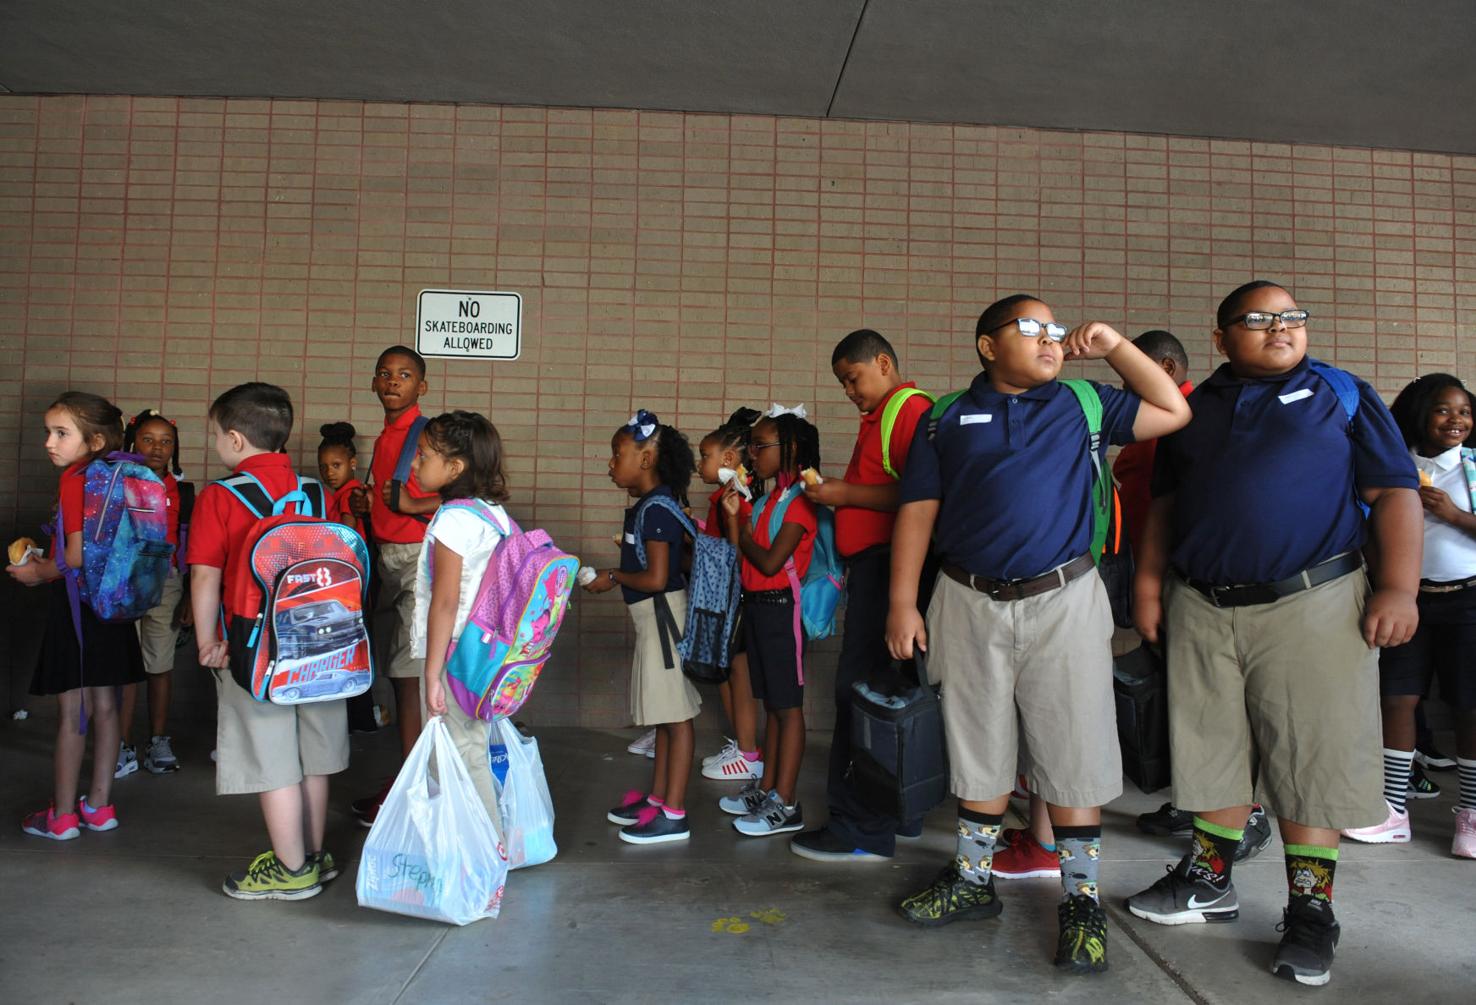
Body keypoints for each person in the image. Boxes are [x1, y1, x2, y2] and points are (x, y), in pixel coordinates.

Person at [1124, 280, 1421, 987]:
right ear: (1222, 337)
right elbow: (1165, 504)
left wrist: (1398, 586)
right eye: (1258, 320)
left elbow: (1395, 493)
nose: (1279, 327)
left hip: (1312, 600)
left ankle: (1311, 909)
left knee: (1308, 758)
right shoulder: (1189, 409)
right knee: (1210, 746)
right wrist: (1146, 584)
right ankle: (1209, 878)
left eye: (1291, 317)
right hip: (1202, 601)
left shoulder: (1342, 395)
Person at [886, 295, 1191, 974]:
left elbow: (1174, 409)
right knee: (977, 741)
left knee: (1074, 740)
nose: (1052, 339)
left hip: (1065, 596)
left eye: (1057, 330)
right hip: (966, 598)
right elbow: (917, 510)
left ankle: (1081, 900)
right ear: (988, 346)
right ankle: (972, 878)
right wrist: (903, 602)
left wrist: (1113, 343)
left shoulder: (1085, 401)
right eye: (1032, 329)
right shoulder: (944, 418)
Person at [1101, 331, 1273, 859]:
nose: (1129, 389)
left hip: (1199, 576)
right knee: (1187, 694)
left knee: (1228, 703)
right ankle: (1197, 797)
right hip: (1155, 570)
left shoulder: (1194, 415)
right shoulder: (1149, 423)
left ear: (1169, 366)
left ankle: (1251, 813)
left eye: (1135, 375)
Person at [189, 382, 350, 900]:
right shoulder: (317, 492)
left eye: (215, 435)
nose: (215, 444)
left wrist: (208, 639)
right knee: (314, 755)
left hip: (254, 644)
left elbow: (204, 577)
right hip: (324, 640)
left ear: (236, 440)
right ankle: (315, 854)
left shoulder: (220, 496)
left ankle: (291, 868)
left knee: (272, 756)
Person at [791, 329, 935, 862]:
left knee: (864, 695)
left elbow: (921, 494)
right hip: (878, 570)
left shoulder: (908, 410)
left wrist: (842, 493)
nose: (849, 391)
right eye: (842, 384)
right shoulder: (883, 416)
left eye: (853, 378)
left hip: (890, 572)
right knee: (891, 694)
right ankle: (899, 814)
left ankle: (859, 828)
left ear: (883, 362)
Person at [1343, 373, 1476, 857]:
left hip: (1467, 599)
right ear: (1420, 413)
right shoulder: (1394, 467)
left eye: (1463, 411)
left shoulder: (1473, 468)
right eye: (1443, 409)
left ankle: (1471, 815)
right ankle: (1392, 809)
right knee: (1397, 698)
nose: (1455, 419)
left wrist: (1455, 515)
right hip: (1410, 599)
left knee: (1469, 705)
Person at [10, 392, 146, 839]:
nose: (50, 441)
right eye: (49, 432)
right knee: (107, 709)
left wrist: (35, 572)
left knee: (73, 714)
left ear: (96, 440)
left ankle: (63, 815)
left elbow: (72, 557)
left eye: (62, 433)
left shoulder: (75, 479)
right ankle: (100, 806)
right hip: (116, 607)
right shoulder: (124, 473)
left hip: (76, 608)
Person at [584, 410, 702, 845]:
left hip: (664, 617)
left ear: (647, 458)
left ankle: (674, 812)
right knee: (665, 718)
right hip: (654, 618)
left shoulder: (657, 510)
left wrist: (612, 575)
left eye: (618, 455)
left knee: (677, 716)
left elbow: (655, 578)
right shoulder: (652, 506)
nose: (611, 464)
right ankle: (657, 799)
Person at [719, 405, 822, 838]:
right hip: (759, 607)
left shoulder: (800, 504)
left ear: (791, 449)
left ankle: (788, 802)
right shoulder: (763, 502)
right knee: (773, 707)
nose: (752, 454)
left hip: (783, 609)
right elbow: (740, 555)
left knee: (789, 708)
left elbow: (769, 560)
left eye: (761, 446)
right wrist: (735, 521)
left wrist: (738, 527)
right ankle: (768, 789)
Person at [349, 346, 440, 826]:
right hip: (390, 560)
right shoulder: (387, 438)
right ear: (373, 383)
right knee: (402, 676)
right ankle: (410, 779)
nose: (393, 381)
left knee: (413, 679)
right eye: (384, 374)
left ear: (421, 387)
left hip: (418, 564)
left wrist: (405, 505)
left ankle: (418, 791)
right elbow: (396, 498)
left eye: (405, 375)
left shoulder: (429, 434)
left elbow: (469, 495)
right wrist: (373, 507)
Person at [411, 411, 513, 838]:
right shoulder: (494, 514)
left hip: (452, 654)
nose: (414, 464)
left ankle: (484, 851)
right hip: (486, 653)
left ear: (455, 468)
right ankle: (488, 843)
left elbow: (446, 601)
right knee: (472, 747)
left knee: (454, 754)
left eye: (422, 455)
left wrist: (433, 673)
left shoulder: (453, 519)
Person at [116, 409, 193, 777]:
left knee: (159, 666)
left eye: (166, 441)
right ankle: (121, 745)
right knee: (125, 668)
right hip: (123, 582)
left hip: (166, 581)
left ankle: (158, 741)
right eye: (148, 439)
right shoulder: (117, 480)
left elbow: (192, 545)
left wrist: (191, 595)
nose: (157, 448)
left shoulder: (184, 491)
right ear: (133, 441)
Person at [694, 407, 764, 782]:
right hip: (727, 592)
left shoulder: (736, 497)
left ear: (729, 458)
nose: (699, 464)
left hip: (735, 595)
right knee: (728, 673)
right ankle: (742, 745)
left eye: (705, 456)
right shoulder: (726, 495)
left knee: (739, 675)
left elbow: (738, 549)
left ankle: (749, 752)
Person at [318, 421, 365, 533]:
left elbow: (347, 531)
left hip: (347, 550)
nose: (329, 472)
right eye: (323, 467)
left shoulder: (348, 495)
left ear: (352, 463)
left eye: (336, 465)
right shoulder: (348, 492)